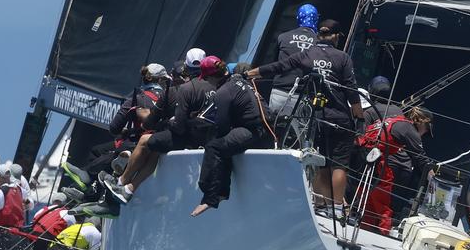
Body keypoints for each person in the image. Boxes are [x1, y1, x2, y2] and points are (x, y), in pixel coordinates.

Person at [249, 19, 361, 217]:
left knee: (322, 163)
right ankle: (337, 209)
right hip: (341, 118)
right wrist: (359, 119)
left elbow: (279, 66)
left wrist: (252, 73)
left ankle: (325, 209)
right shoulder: (343, 58)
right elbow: (351, 91)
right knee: (339, 164)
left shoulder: (307, 54)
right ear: (335, 36)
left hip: (317, 118)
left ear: (319, 35)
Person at [115, 53, 220, 198]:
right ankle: (128, 189)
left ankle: (121, 182)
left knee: (146, 141)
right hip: (206, 141)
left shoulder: (181, 90)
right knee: (156, 148)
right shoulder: (216, 88)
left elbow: (175, 125)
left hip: (185, 137)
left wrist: (163, 123)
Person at [191, 58, 268, 216]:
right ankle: (222, 192)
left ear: (212, 77)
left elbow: (222, 126)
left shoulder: (223, 92)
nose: (206, 81)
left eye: (205, 78)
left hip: (252, 131)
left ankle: (211, 198)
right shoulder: (238, 79)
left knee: (214, 146)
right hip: (264, 129)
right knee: (223, 144)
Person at [359, 106, 431, 234]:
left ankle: (366, 226)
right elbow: (421, 157)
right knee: (382, 199)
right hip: (376, 159)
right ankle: (384, 231)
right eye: (426, 129)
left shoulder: (396, 120)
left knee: (370, 198)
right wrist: (432, 176)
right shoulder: (410, 131)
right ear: (422, 123)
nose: (425, 133)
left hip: (363, 154)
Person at [269, 3, 319, 117]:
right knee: (298, 133)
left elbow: (274, 64)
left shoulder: (283, 37)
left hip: (279, 92)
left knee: (272, 130)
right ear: (316, 19)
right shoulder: (319, 43)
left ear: (298, 18)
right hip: (302, 96)